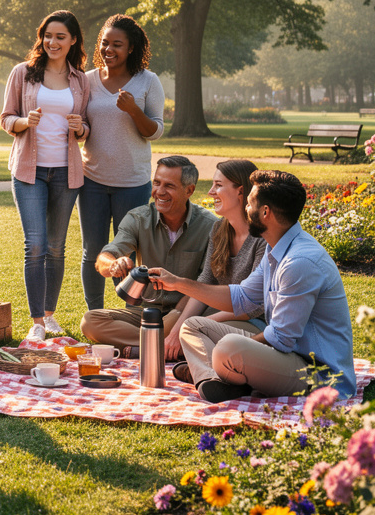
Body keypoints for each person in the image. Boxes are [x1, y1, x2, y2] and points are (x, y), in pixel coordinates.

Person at [150, 170, 356, 402]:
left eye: (249, 204)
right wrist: (178, 283)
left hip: (317, 375)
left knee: (228, 349)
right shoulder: (275, 247)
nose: (245, 210)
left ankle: (221, 374)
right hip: (286, 359)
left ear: (265, 212)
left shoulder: (299, 262)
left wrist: (227, 351)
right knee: (193, 326)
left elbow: (280, 338)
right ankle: (216, 380)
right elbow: (242, 297)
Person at [0, 9, 91, 341]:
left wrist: (82, 128)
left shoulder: (80, 79)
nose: (52, 42)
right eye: (47, 36)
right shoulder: (23, 73)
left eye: (60, 37)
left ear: (73, 41)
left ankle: (50, 316)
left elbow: (86, 127)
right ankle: (36, 322)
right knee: (35, 245)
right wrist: (25, 122)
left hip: (66, 172)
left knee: (56, 246)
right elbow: (7, 117)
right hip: (29, 171)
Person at [79, 155, 212, 353]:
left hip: (185, 310)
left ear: (189, 190)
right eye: (156, 183)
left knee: (178, 323)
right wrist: (113, 264)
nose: (159, 192)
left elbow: (206, 282)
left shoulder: (210, 225)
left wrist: (176, 315)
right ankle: (157, 345)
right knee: (90, 322)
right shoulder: (139, 218)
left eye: (169, 186)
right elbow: (106, 256)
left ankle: (146, 344)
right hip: (147, 313)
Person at [78, 14, 165, 311]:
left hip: (132, 182)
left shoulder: (148, 81)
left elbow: (155, 131)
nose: (108, 49)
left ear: (131, 48)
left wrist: (133, 111)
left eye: (117, 44)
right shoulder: (87, 81)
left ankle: (128, 313)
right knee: (93, 251)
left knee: (126, 251)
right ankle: (96, 313)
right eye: (104, 43)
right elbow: (84, 129)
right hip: (92, 180)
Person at [164, 160, 267, 367]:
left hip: (255, 324)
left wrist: (191, 325)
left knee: (191, 331)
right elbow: (205, 282)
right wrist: (178, 327)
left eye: (218, 185)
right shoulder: (219, 229)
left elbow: (254, 305)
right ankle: (169, 349)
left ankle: (166, 351)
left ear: (240, 191)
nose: (211, 192)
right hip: (217, 315)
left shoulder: (263, 238)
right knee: (168, 327)